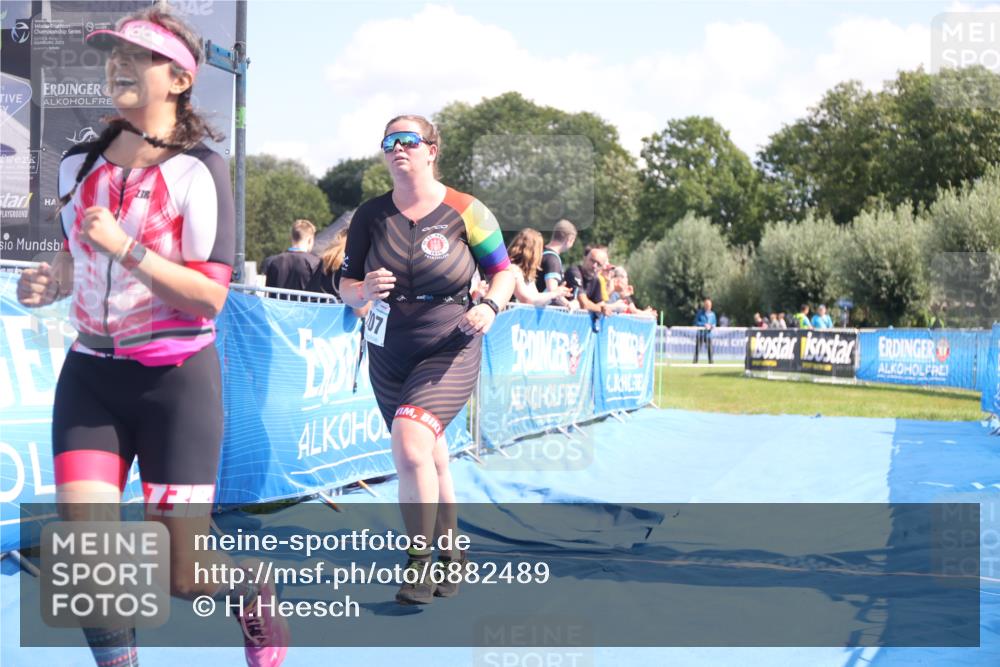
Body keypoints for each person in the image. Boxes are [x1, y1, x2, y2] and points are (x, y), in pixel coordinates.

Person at [15, 7, 288, 666]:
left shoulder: (200, 168)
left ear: (178, 78)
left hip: (176, 383)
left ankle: (250, 584)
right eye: (112, 54)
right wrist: (48, 281)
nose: (117, 65)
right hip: (91, 379)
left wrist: (128, 249)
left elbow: (210, 295)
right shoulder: (77, 161)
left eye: (135, 56)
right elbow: (71, 256)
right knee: (89, 556)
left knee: (181, 573)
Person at [339, 115, 515, 605]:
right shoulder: (369, 215)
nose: (398, 148)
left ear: (431, 150)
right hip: (388, 348)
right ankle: (453, 552)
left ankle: (418, 564)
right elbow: (346, 283)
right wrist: (361, 291)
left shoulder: (468, 210)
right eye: (389, 141)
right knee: (429, 455)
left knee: (412, 444)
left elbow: (502, 272)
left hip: (450, 342)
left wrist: (490, 305)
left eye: (409, 140)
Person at [506, 228, 573, 306]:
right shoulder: (513, 269)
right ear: (533, 251)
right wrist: (554, 294)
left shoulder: (525, 274)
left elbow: (536, 298)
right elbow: (527, 300)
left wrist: (558, 294)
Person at [260, 219, 320, 292]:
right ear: (310, 240)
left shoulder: (271, 262)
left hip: (277, 303)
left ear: (291, 238)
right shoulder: (316, 263)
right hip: (304, 303)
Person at [564, 245, 612, 330]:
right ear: (585, 258)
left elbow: (600, 303)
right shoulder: (574, 272)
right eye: (592, 261)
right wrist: (601, 309)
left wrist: (604, 308)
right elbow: (584, 303)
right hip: (562, 320)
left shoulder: (596, 280)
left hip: (578, 327)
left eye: (599, 264)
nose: (594, 266)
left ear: (602, 267)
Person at [535, 219, 576, 300]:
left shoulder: (540, 251)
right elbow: (552, 293)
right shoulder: (553, 259)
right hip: (538, 310)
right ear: (569, 240)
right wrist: (568, 305)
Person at [693, 298, 716, 363]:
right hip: (700, 334)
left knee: (710, 349)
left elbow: (714, 323)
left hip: (708, 335)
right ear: (705, 305)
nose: (708, 307)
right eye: (707, 305)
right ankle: (695, 362)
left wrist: (710, 326)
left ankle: (711, 362)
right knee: (697, 349)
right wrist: (704, 325)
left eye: (709, 305)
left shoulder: (713, 314)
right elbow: (696, 322)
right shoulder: (699, 313)